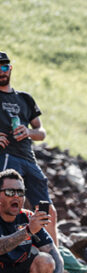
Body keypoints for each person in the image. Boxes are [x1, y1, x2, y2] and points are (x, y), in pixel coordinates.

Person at [0, 169, 65, 273]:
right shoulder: (29, 225)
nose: (16, 196)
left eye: (20, 192)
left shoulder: (28, 217)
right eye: (10, 192)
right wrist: (28, 231)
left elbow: (53, 252)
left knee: (45, 261)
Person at [0, 51, 51, 209]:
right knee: (6, 203)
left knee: (46, 209)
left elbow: (41, 132)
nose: (1, 72)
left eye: (4, 67)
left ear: (10, 68)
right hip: (6, 156)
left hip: (29, 158)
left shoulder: (25, 98)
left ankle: (43, 227)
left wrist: (29, 132)